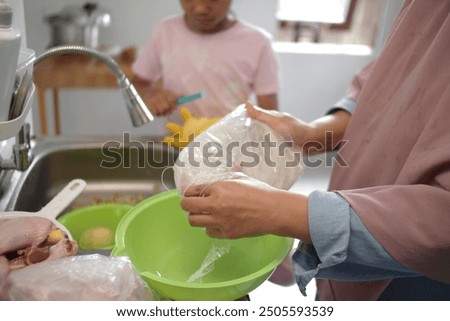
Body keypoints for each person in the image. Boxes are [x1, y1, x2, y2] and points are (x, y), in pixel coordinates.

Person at [180, 0, 450, 300]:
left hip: (413, 288)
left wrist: (282, 211)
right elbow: (383, 87)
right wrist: (313, 134)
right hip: (343, 252)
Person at [131, 0, 279, 124]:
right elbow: (139, 82)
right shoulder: (165, 31)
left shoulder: (257, 42)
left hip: (231, 147)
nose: (201, 9)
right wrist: (152, 96)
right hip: (176, 144)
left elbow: (269, 114)